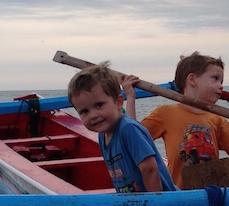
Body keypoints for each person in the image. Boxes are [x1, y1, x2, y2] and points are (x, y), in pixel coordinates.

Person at [124, 52, 229, 188]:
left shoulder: (217, 119)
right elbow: (134, 139)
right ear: (192, 79)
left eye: (221, 81)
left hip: (214, 193)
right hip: (180, 194)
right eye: (215, 79)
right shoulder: (165, 113)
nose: (221, 86)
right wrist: (131, 97)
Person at [68, 63, 176, 193]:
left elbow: (150, 169)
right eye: (84, 111)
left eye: (99, 105)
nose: (93, 115)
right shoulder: (103, 135)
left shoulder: (128, 129)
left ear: (119, 102)